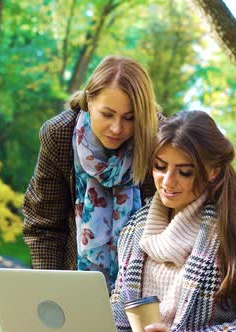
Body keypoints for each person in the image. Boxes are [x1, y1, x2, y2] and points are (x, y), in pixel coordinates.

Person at [111, 111, 236, 331]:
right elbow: (118, 315)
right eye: (160, 167)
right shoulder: (134, 228)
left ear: (213, 171)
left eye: (185, 172)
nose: (168, 181)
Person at [23, 55, 163, 289]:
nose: (117, 129)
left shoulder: (159, 139)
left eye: (130, 118)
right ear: (89, 100)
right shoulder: (59, 135)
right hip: (74, 283)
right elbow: (44, 225)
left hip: (147, 285)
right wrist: (51, 290)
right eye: (107, 115)